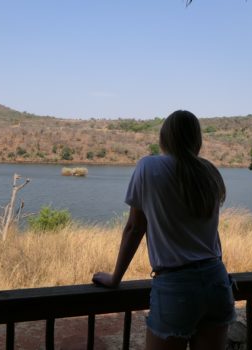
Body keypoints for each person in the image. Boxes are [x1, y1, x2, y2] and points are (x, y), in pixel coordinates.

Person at [92, 110, 236, 350]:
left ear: (164, 137)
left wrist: (115, 278)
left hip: (176, 286)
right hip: (217, 281)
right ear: (196, 139)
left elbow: (134, 228)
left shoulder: (149, 167)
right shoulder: (209, 172)